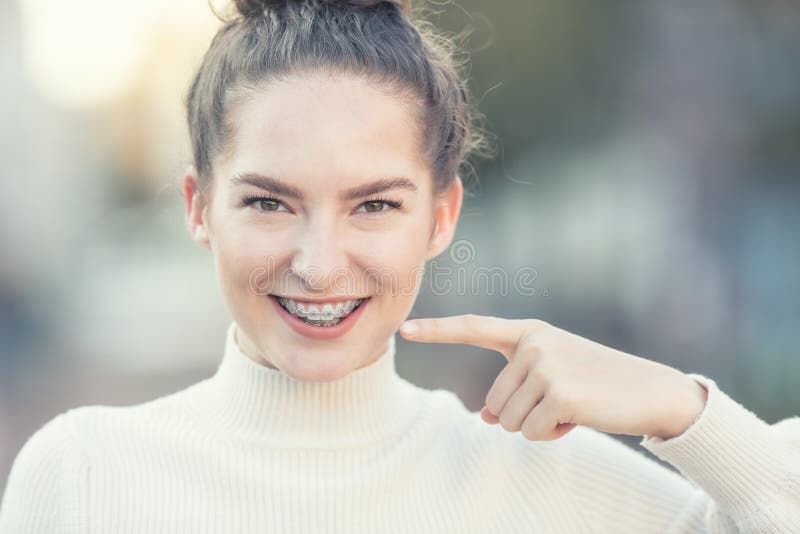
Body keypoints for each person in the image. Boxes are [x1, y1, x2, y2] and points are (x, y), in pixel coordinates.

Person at [1, 0, 799, 531]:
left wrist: (683, 409)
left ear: (441, 216)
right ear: (196, 206)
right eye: (269, 203)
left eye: (374, 205)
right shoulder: (82, 475)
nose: (318, 265)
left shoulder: (544, 482)